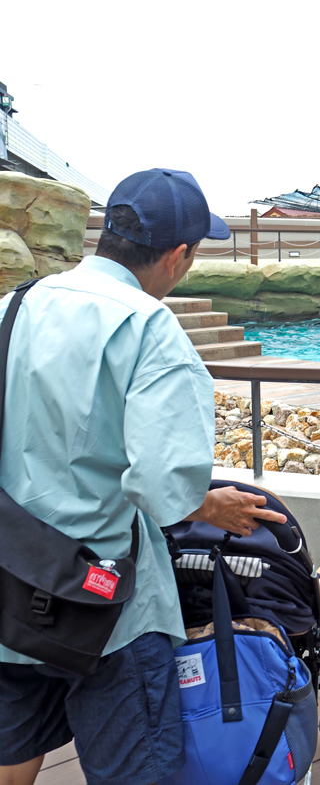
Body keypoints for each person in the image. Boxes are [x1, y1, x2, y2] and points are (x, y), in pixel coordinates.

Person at [0, 168, 286, 785]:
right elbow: (164, 488)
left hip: (8, 583)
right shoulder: (149, 328)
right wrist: (209, 506)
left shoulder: (13, 307)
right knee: (134, 769)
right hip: (103, 603)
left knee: (11, 754)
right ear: (179, 255)